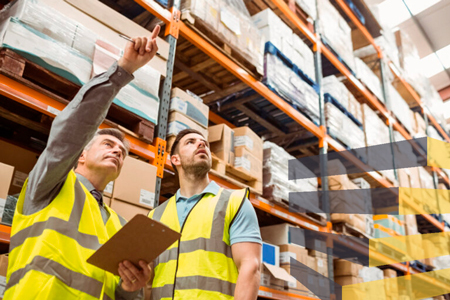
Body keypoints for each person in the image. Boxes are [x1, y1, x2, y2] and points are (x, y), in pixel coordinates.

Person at [4, 26, 162, 300]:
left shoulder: (117, 226)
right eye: (108, 144)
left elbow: (113, 291)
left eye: (122, 152)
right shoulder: (50, 185)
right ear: (81, 154)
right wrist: (122, 71)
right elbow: (72, 129)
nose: (117, 152)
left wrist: (130, 288)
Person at [148, 128, 262, 300]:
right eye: (190, 142)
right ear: (175, 159)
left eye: (205, 144)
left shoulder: (234, 202)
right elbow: (148, 282)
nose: (201, 143)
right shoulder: (155, 216)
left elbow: (250, 267)